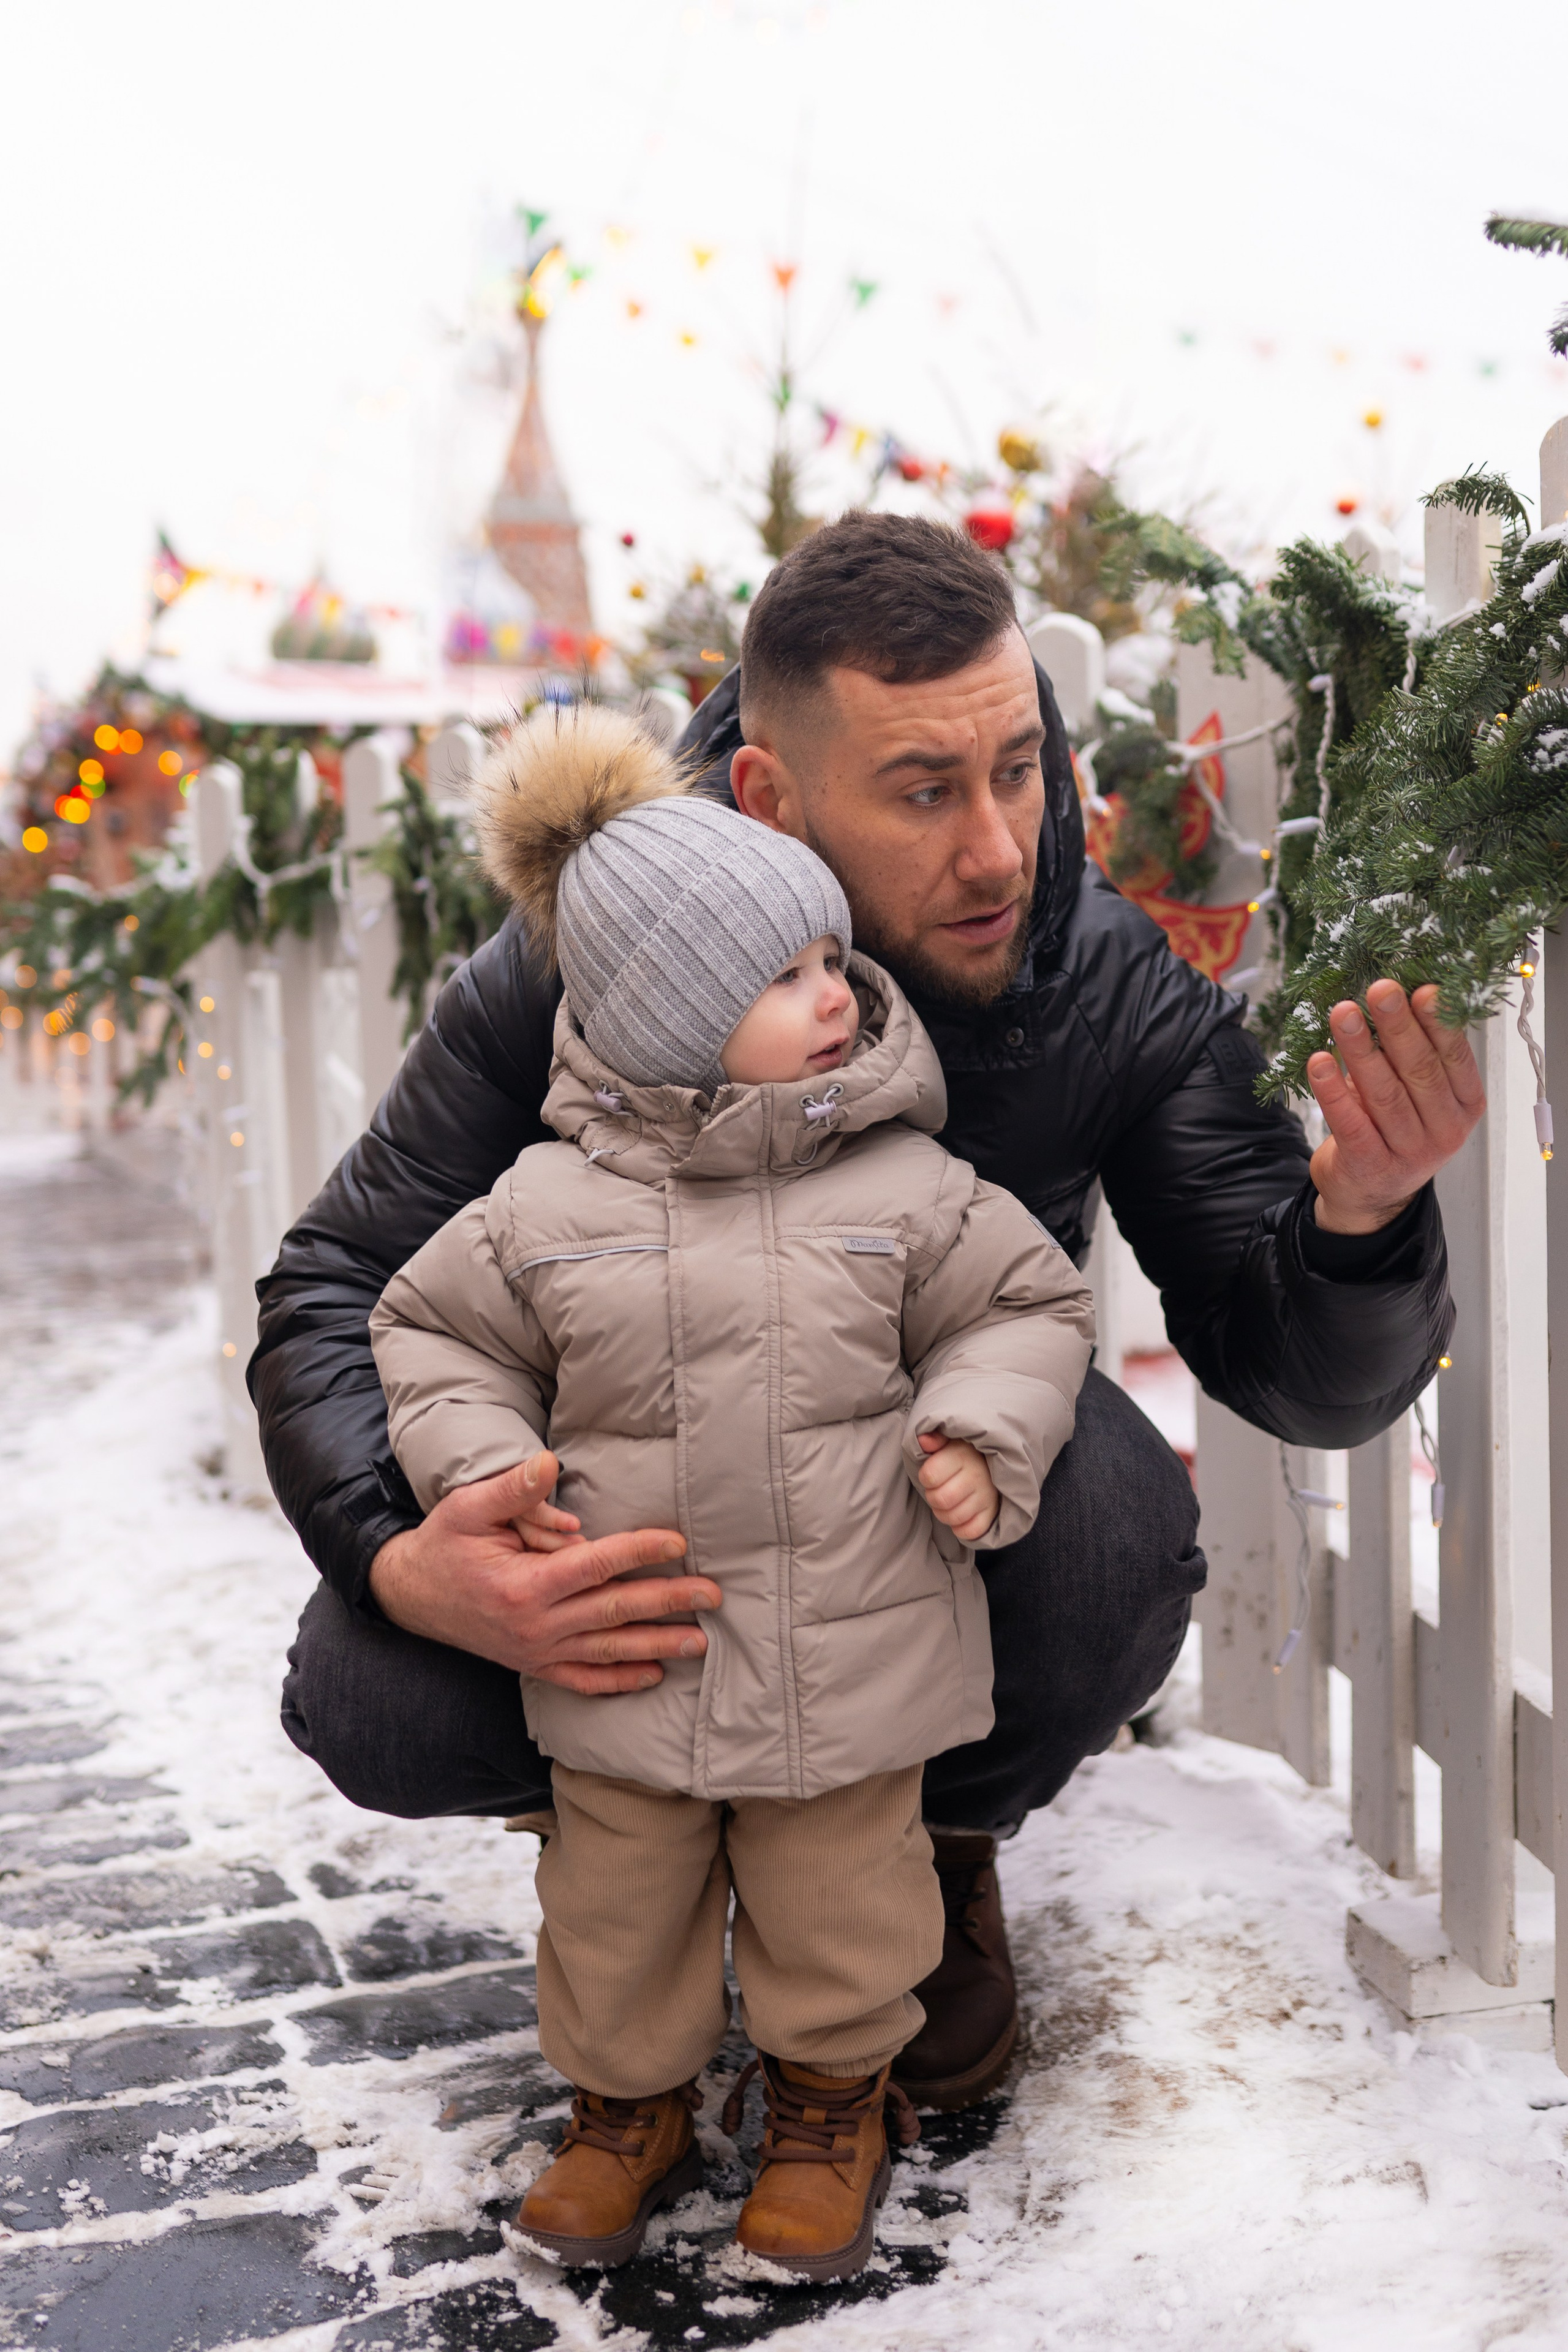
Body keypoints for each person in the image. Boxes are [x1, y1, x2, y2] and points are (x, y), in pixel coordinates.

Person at [259, 512, 1477, 2119]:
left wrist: (1359, 1226)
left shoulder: (1103, 982)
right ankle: (653, 1822)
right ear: (773, 796)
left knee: (1115, 1531)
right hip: (643, 1497)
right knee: (375, 1684)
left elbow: (1288, 1368)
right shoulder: (595, 962)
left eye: (1020, 770)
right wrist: (404, 1549)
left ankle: (925, 1838)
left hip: (926, 1509)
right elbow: (341, 1277)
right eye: (925, 790)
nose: (1000, 848)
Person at [367, 704, 1094, 2274]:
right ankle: (624, 2107)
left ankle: (832, 2095)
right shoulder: (542, 1205)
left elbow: (1024, 1308)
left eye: (831, 964)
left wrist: (980, 1425)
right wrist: (484, 1472)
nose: (834, 999)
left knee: (844, 1901)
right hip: (631, 1642)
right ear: (660, 1016)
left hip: (848, 1650)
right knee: (614, 1903)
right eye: (783, 979)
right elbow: (429, 1332)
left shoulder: (904, 1183)